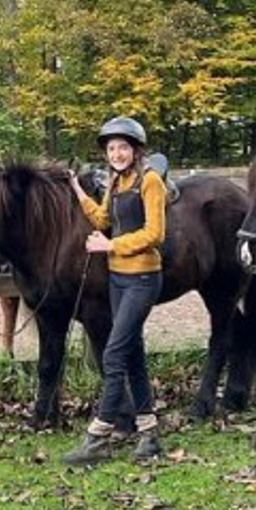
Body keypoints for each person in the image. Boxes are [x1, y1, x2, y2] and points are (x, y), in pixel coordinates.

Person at [63, 116, 167, 465]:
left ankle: (99, 436)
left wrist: (110, 246)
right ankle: (149, 434)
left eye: (123, 147)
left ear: (135, 150)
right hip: (118, 279)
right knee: (133, 353)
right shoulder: (116, 183)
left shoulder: (150, 181)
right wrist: (79, 192)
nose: (117, 154)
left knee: (113, 354)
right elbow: (103, 219)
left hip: (143, 278)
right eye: (111, 149)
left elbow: (155, 233)